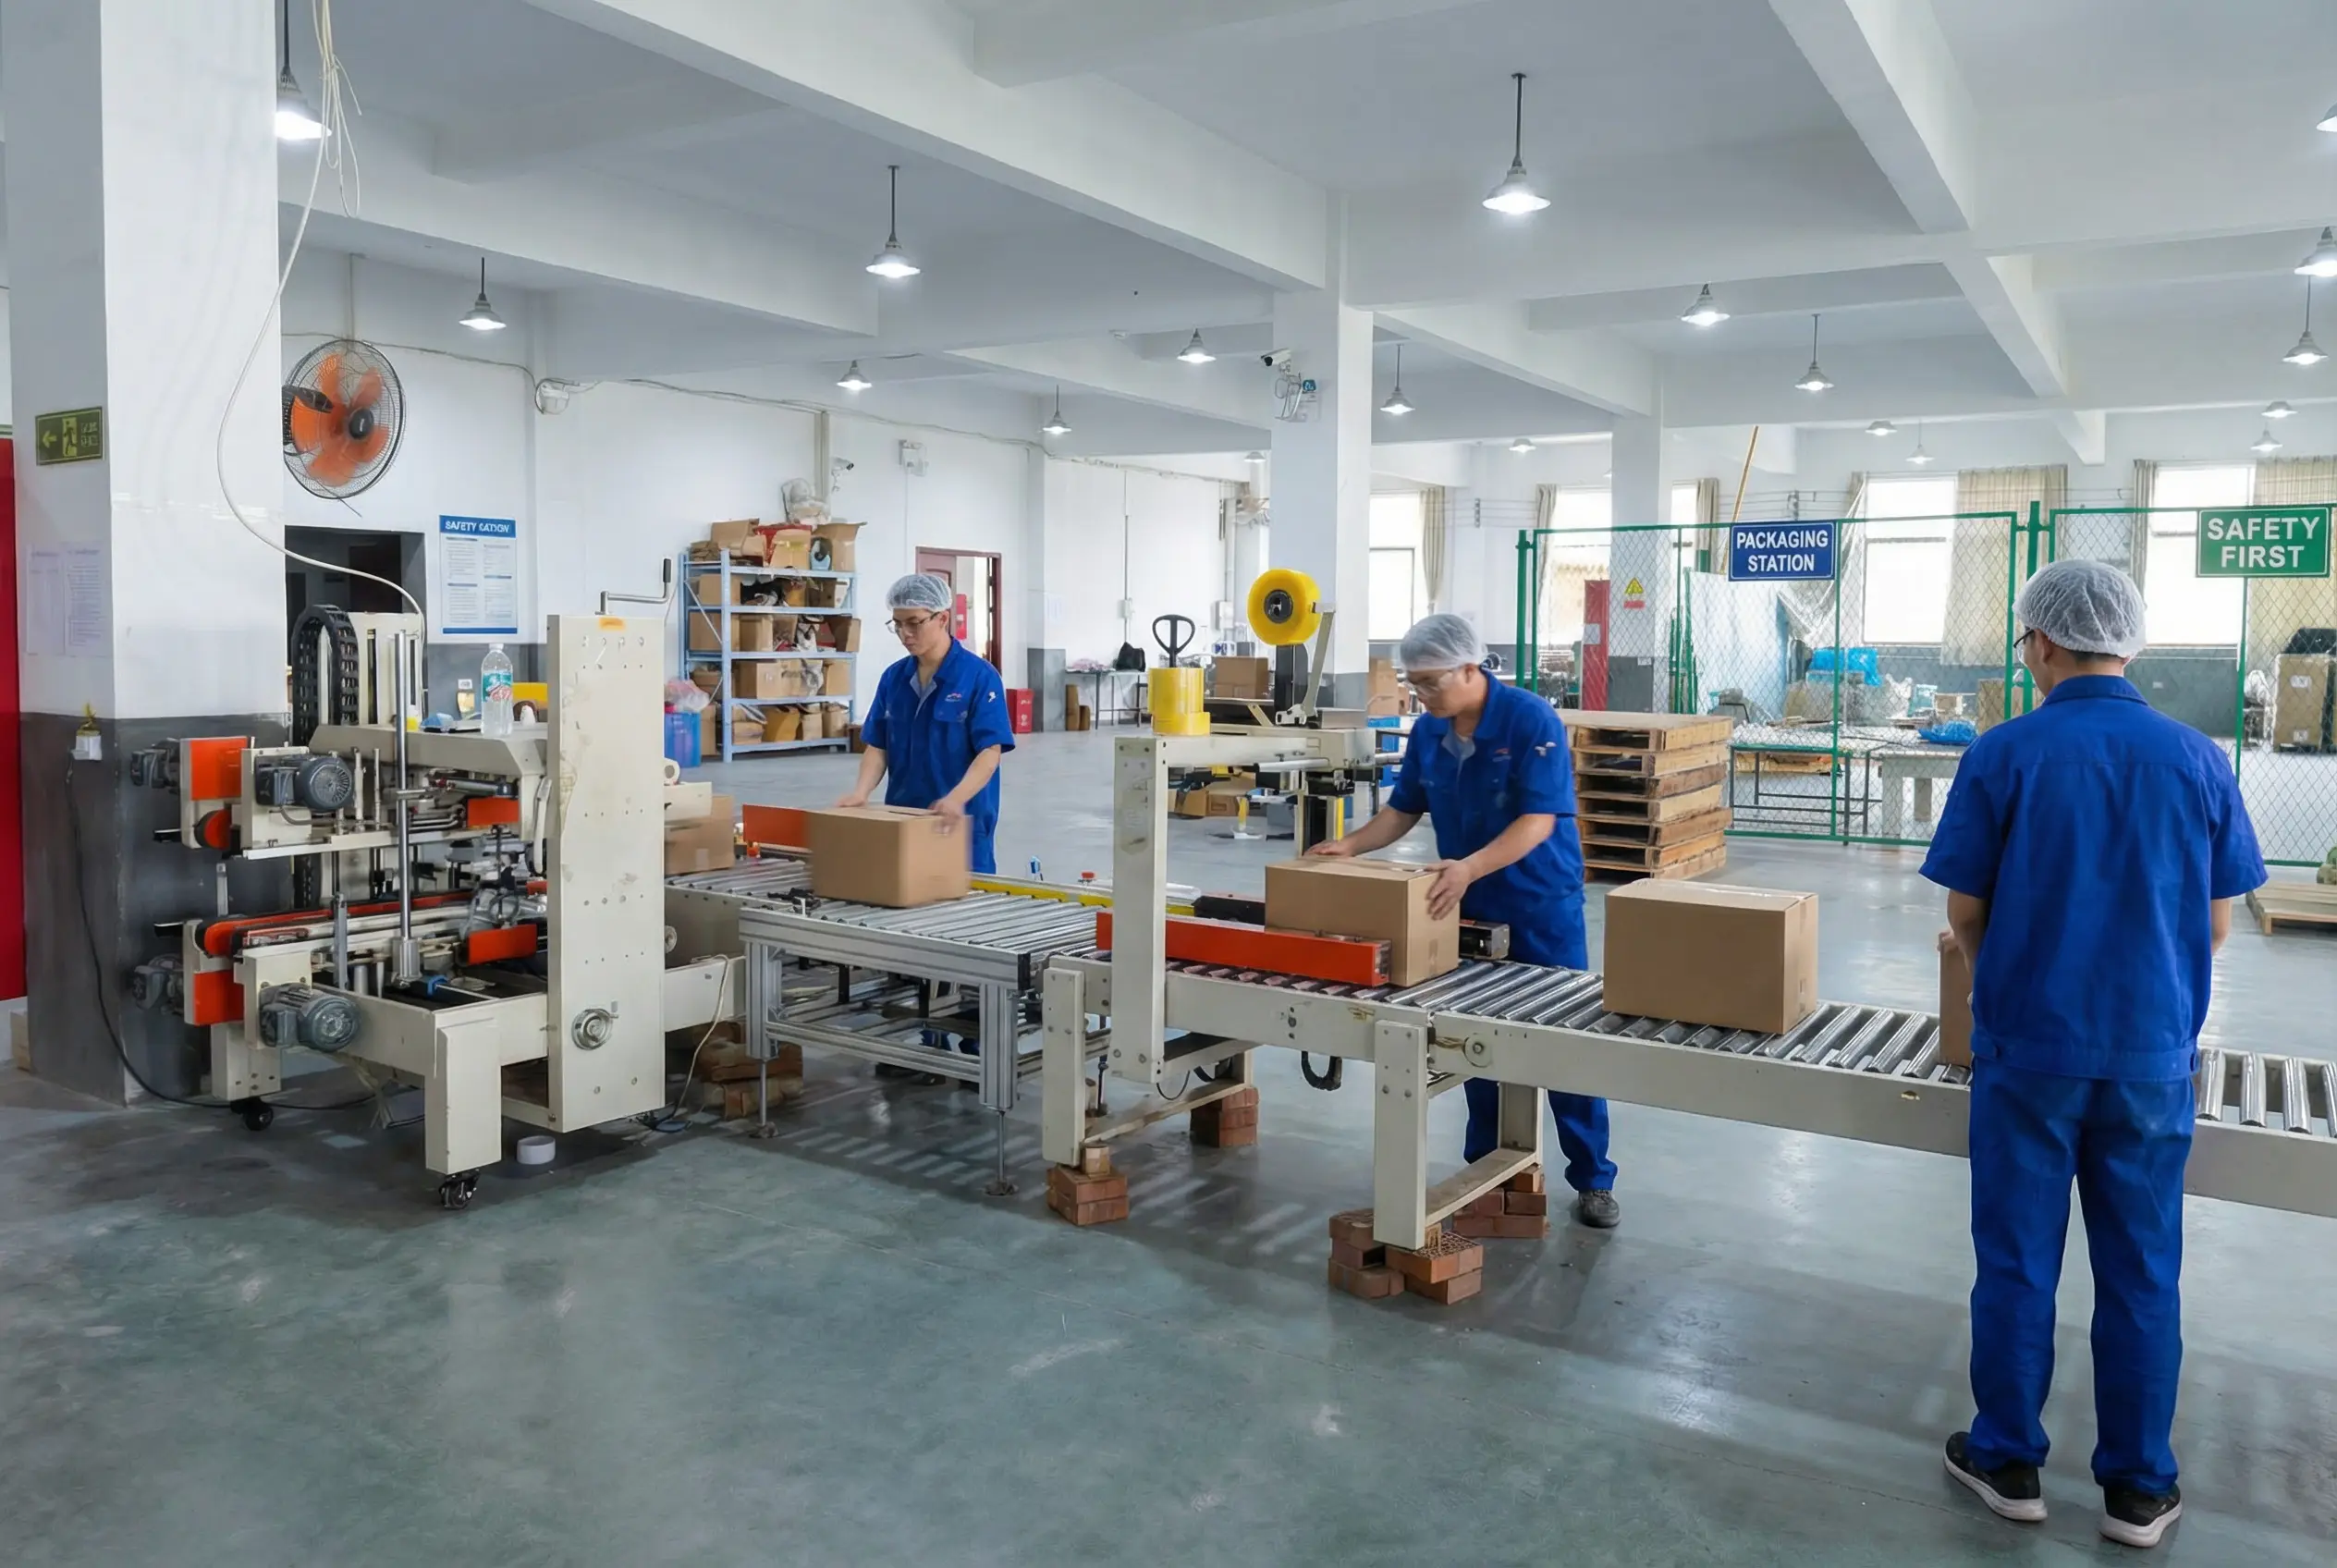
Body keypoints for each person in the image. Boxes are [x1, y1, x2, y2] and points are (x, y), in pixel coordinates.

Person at [1922, 558, 2263, 1551]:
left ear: (2039, 642)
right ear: (2128, 640)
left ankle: (2006, 1459)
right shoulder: (2195, 758)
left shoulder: (2004, 753)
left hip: (2028, 1053)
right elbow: (2217, 924)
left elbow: (1965, 912)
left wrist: (2006, 977)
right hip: (2149, 1059)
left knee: (2017, 1261)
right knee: (2142, 1272)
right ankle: (2138, 1489)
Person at [1306, 612, 1619, 1229]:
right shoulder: (1429, 731)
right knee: (1475, 1039)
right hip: (1465, 904)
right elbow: (1403, 809)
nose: (1421, 694)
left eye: (1430, 682)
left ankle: (1592, 1177)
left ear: (1470, 668)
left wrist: (1469, 867)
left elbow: (1539, 820)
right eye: (1414, 682)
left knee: (1565, 1043)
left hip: (1539, 903)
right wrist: (1350, 846)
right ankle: (1488, 1168)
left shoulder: (1530, 720)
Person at [838, 573, 1014, 876]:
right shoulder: (894, 678)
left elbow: (990, 753)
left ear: (942, 618)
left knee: (968, 899)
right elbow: (878, 746)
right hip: (905, 818)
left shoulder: (979, 677)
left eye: (914, 623)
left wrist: (955, 799)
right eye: (897, 624)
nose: (904, 633)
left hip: (959, 821)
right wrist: (861, 793)